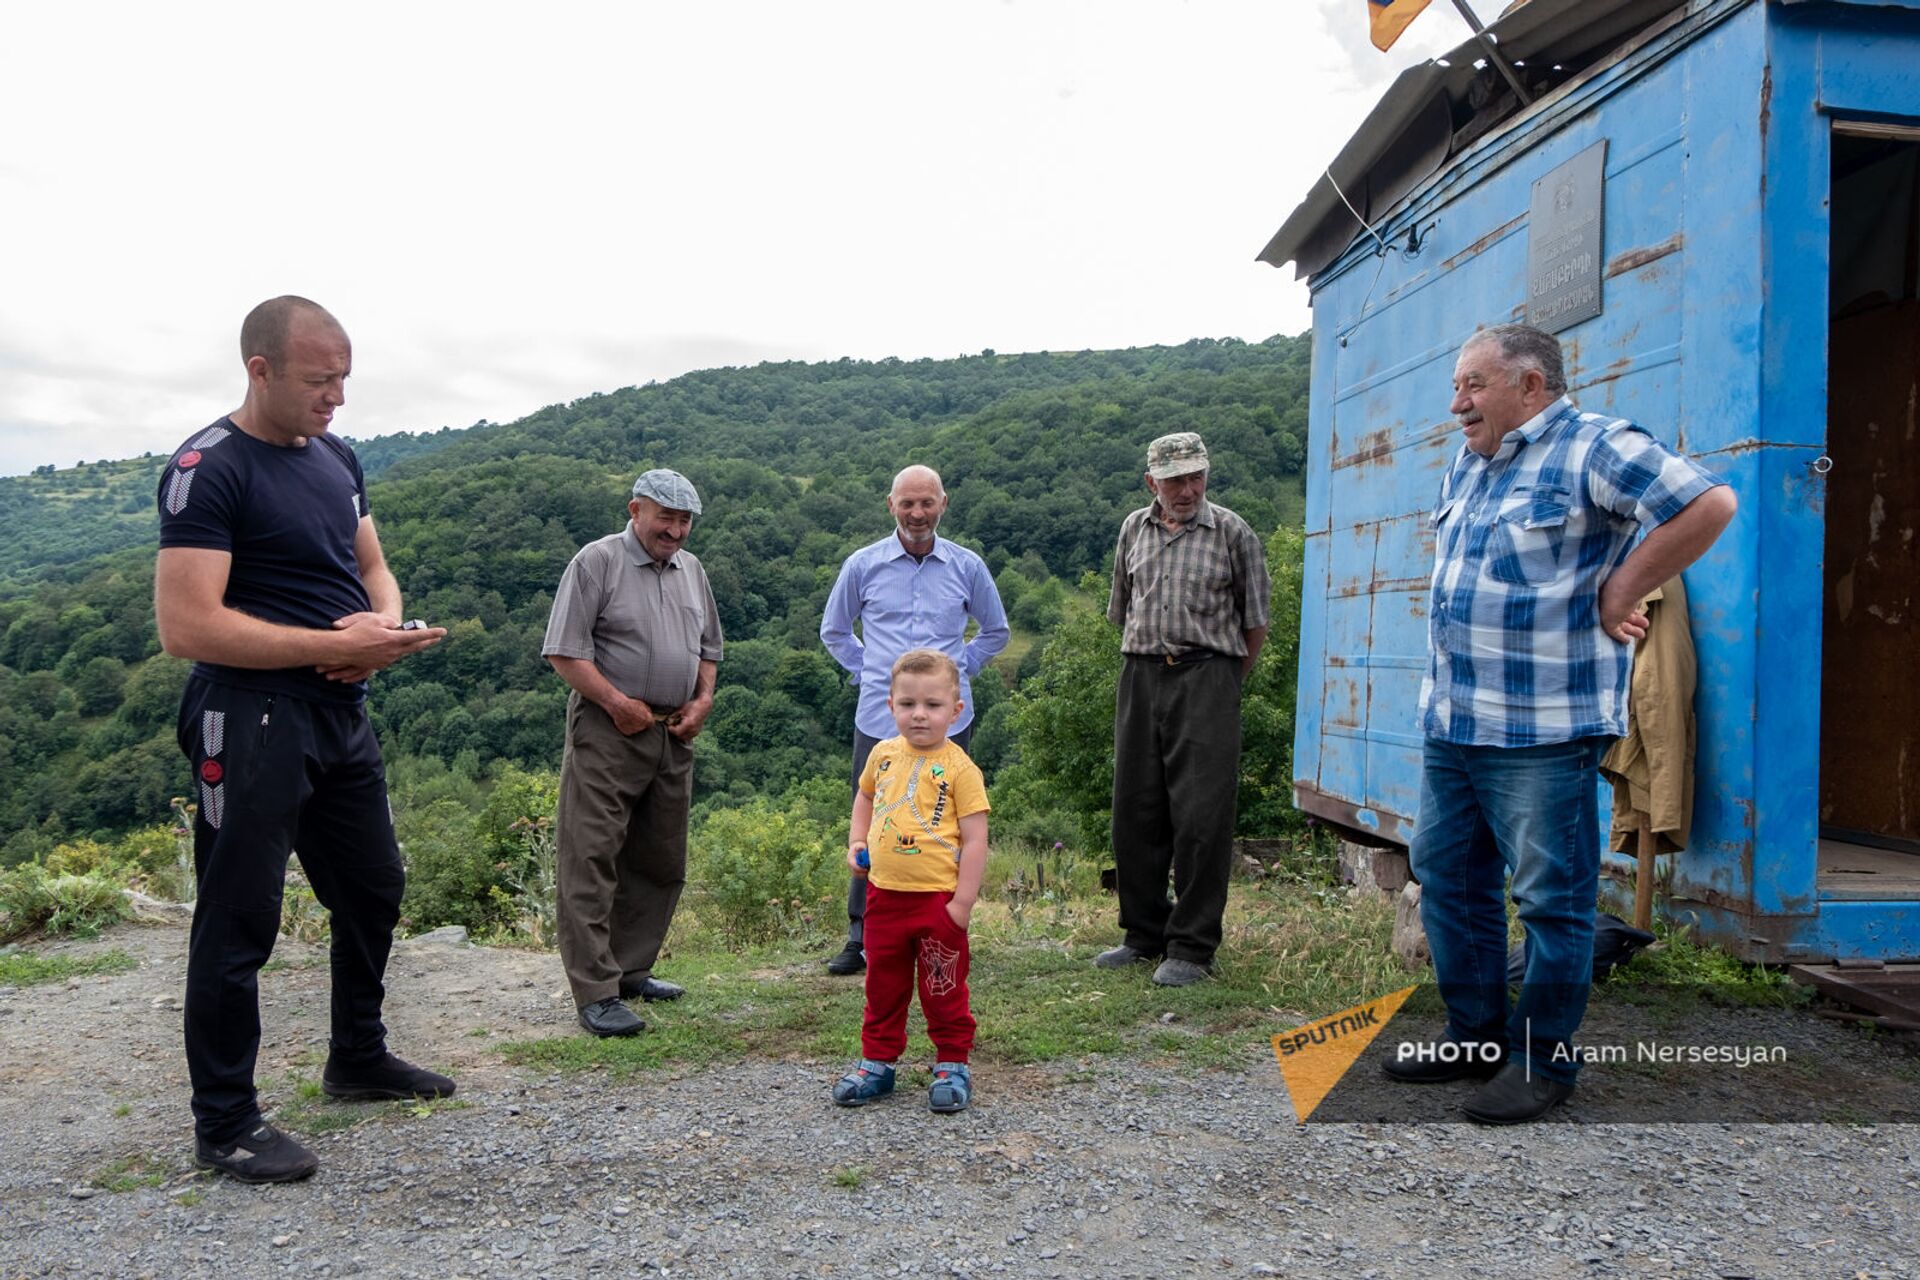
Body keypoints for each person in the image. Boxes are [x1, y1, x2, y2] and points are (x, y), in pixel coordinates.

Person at [1389, 323, 1737, 1124]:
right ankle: (1472, 1038)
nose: (1457, 404)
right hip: (1455, 721)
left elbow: (1708, 502)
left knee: (1550, 900)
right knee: (1450, 878)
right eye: (1456, 386)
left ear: (1531, 384)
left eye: (1473, 385)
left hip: (1543, 730)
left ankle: (1543, 1063)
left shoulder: (1595, 446)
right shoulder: (1471, 461)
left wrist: (1624, 587)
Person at [154, 296, 453, 1184]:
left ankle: (356, 1057)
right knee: (238, 914)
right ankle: (226, 1122)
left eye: (345, 379)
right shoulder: (208, 467)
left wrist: (385, 631)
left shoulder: (336, 457)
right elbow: (187, 625)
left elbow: (370, 565)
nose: (337, 398)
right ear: (262, 370)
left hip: (336, 711)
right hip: (245, 715)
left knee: (373, 885)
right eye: (321, 380)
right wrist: (338, 648)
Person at [542, 470, 722, 1038]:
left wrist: (703, 700)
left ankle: (631, 971)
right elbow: (565, 652)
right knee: (591, 856)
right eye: (664, 517)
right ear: (635, 510)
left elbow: (711, 648)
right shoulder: (595, 562)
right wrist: (617, 703)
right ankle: (595, 991)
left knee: (660, 857)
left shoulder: (692, 571)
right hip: (607, 727)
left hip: (674, 733)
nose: (675, 530)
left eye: (684, 520)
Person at [819, 465, 1008, 976]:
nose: (917, 513)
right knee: (877, 821)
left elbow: (996, 631)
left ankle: (942, 929)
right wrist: (875, 673)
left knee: (943, 820)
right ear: (891, 505)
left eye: (926, 503)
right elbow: (834, 631)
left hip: (949, 722)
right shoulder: (863, 565)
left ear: (943, 503)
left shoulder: (967, 567)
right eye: (908, 503)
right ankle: (861, 936)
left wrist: (956, 674)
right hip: (880, 717)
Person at [1098, 432, 1271, 987]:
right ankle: (1143, 934)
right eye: (1175, 479)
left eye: (1196, 476)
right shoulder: (1132, 528)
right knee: (1136, 808)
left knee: (1201, 815)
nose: (1188, 488)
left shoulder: (1233, 531)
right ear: (1152, 482)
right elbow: (1120, 612)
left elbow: (1255, 621)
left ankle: (1192, 948)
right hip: (1142, 673)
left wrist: (1223, 683)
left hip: (1209, 675)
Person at [830, 649, 990, 1113]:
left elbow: (977, 840)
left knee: (943, 986)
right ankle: (878, 1063)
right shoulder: (881, 755)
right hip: (883, 898)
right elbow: (864, 797)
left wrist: (961, 904)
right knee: (883, 984)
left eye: (933, 705)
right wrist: (856, 841)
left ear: (955, 710)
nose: (919, 715)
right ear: (890, 705)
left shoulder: (961, 769)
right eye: (908, 704)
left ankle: (952, 1063)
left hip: (937, 903)